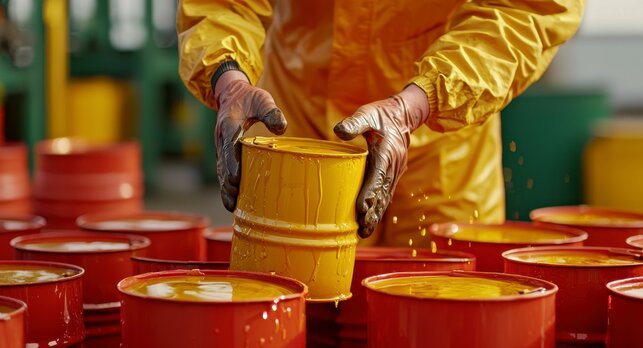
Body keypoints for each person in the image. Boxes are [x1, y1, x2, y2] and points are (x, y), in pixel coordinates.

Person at [177, 0, 584, 247]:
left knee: (442, 316)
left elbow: (526, 11)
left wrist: (417, 105)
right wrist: (227, 75)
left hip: (444, 145)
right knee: (297, 322)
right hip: (298, 128)